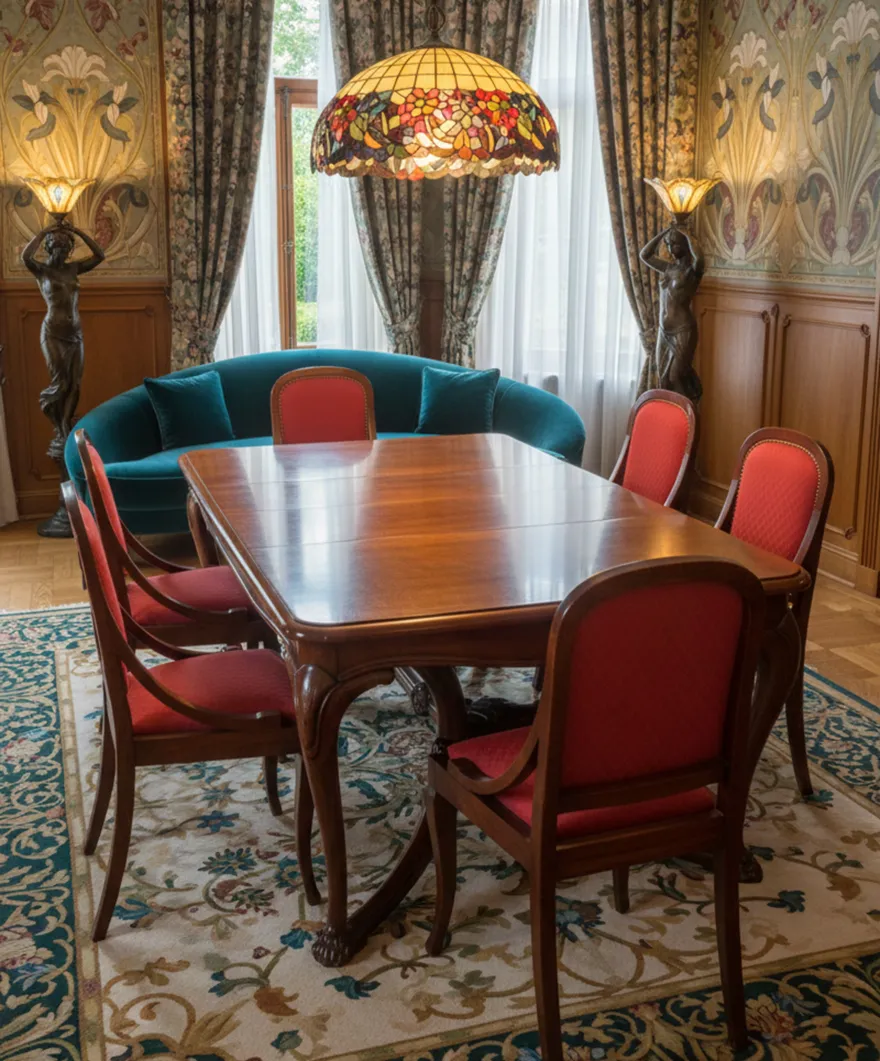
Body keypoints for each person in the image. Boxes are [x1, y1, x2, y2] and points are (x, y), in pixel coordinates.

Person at [21, 223, 105, 449]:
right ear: (49, 248)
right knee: (60, 383)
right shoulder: (41, 271)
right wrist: (42, 233)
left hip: (75, 333)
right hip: (53, 333)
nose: (63, 251)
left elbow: (99, 255)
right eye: (58, 246)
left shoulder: (73, 269)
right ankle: (59, 426)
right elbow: (25, 257)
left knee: (75, 384)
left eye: (66, 247)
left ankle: (66, 424)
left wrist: (78, 232)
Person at [639, 225, 704, 402]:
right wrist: (664, 232)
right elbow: (644, 255)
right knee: (664, 379)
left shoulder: (692, 272)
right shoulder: (668, 268)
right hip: (664, 330)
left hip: (683, 330)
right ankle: (669, 421)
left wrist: (688, 233)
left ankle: (688, 417)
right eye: (668, 244)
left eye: (674, 243)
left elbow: (700, 258)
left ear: (684, 245)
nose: (670, 248)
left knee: (677, 377)